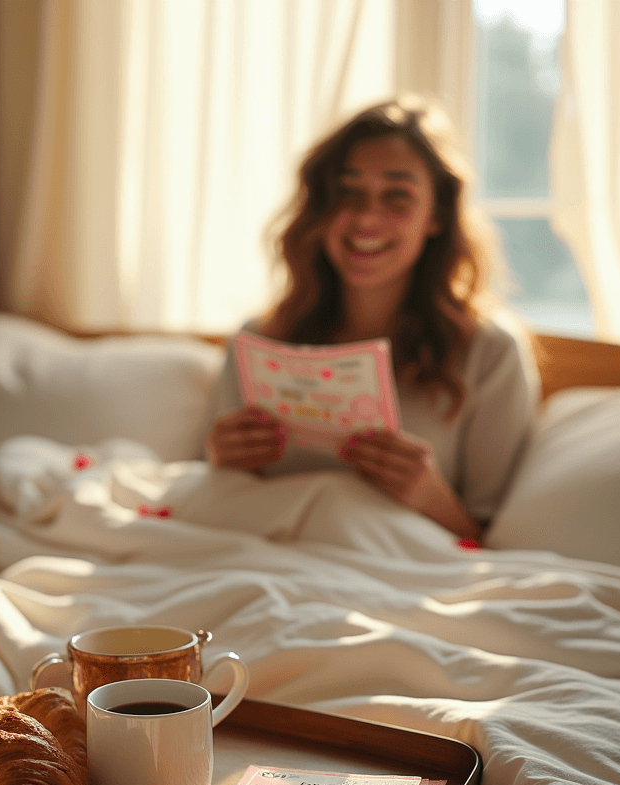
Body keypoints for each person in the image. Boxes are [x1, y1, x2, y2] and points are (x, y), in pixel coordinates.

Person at [204, 95, 540, 541]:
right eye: (348, 193)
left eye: (397, 196)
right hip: (264, 561)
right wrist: (219, 461)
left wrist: (429, 495)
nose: (365, 219)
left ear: (435, 216)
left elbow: (487, 543)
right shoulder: (261, 340)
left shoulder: (490, 352)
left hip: (395, 571)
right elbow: (218, 505)